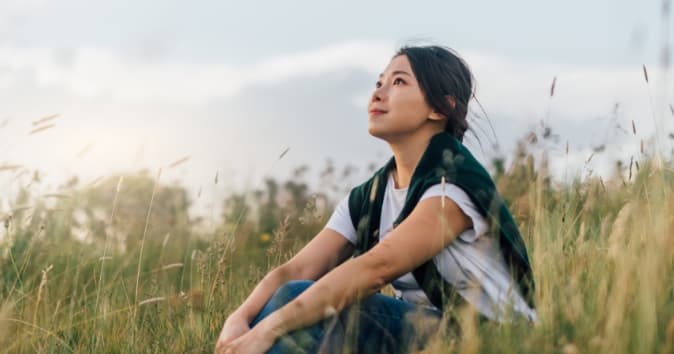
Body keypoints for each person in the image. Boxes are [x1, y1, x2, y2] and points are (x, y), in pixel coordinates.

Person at [214, 44, 537, 354]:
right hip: (424, 331)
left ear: (441, 108)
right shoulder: (371, 195)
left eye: (399, 82)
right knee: (286, 301)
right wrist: (238, 320)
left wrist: (266, 331)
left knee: (294, 304)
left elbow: (377, 267)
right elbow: (296, 269)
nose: (378, 93)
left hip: (491, 338)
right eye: (379, 82)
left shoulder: (453, 186)